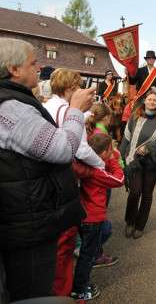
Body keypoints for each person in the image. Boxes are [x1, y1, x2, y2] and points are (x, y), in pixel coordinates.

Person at [0, 38, 94, 301]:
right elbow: (62, 149)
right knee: (32, 293)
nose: (39, 67)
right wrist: (76, 110)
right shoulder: (10, 108)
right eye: (33, 63)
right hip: (27, 225)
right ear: (14, 69)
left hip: (22, 215)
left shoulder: (13, 101)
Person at [44, 68, 107, 297]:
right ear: (70, 88)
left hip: (45, 182)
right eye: (78, 86)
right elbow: (79, 148)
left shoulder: (47, 105)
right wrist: (99, 163)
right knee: (64, 245)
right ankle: (65, 293)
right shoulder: (70, 111)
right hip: (64, 182)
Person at [71, 133, 124, 301]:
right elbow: (119, 179)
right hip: (93, 219)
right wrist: (112, 160)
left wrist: (105, 159)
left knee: (90, 250)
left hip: (84, 215)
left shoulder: (86, 166)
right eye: (111, 149)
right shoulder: (96, 172)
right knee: (87, 256)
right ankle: (80, 288)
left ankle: (80, 283)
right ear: (104, 152)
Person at [120, 91, 156, 239]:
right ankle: (130, 222)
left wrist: (148, 148)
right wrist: (121, 159)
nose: (152, 102)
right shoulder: (135, 117)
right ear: (145, 101)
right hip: (134, 161)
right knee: (135, 192)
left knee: (147, 194)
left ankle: (140, 225)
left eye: (155, 100)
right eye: (150, 99)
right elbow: (125, 140)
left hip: (152, 163)